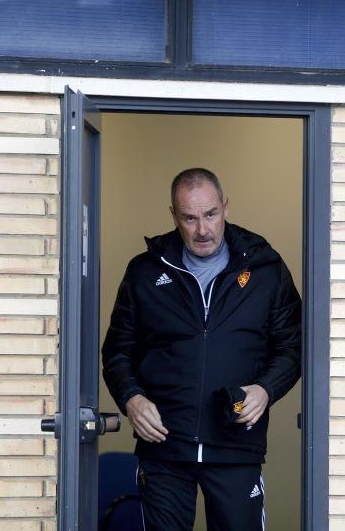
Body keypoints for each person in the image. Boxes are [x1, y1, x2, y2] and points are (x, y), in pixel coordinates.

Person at [102, 167, 301, 530]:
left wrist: (265, 390)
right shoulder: (145, 272)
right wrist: (131, 398)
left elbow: (293, 346)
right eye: (189, 218)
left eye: (210, 214)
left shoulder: (265, 269)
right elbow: (117, 350)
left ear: (225, 206)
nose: (202, 230)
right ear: (173, 216)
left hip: (235, 444)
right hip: (164, 445)